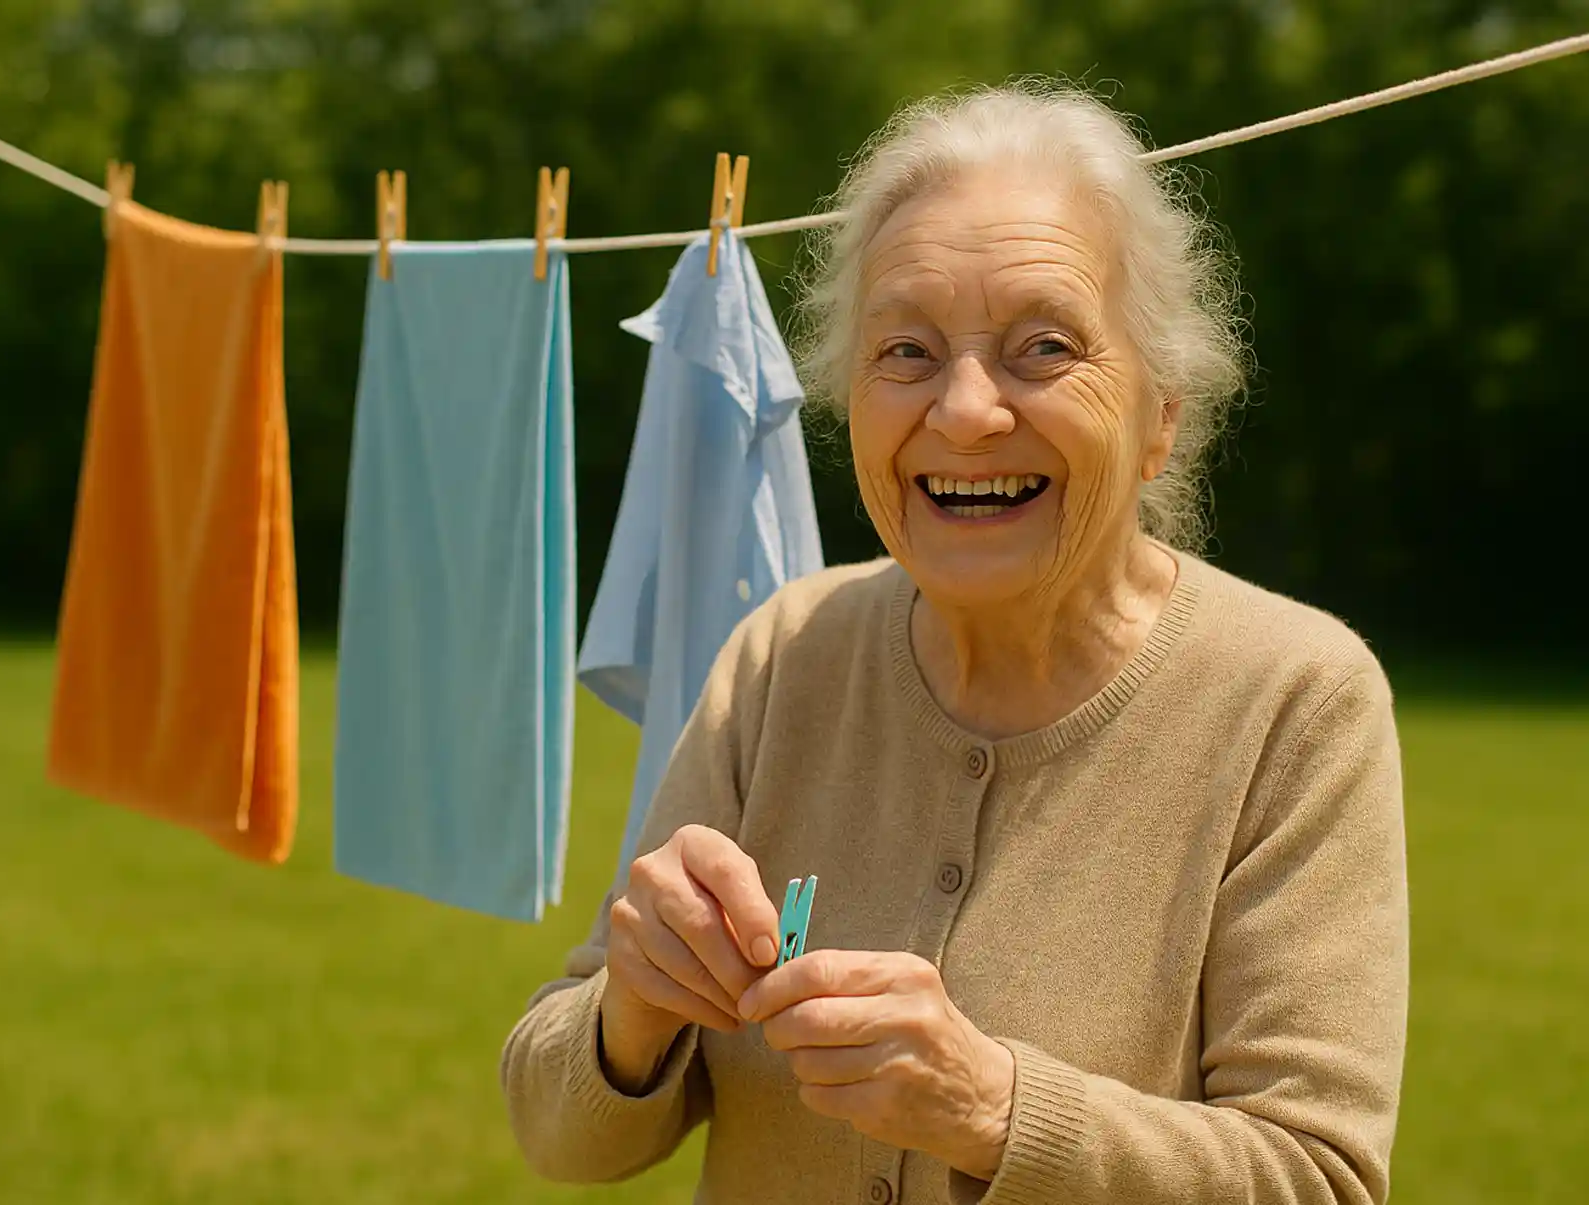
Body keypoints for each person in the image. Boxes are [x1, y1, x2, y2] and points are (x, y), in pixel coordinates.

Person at [501, 81, 1408, 1205]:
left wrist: (995, 1108)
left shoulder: (1295, 698)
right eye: (906, 351)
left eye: (1043, 347)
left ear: (1160, 415)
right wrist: (629, 1012)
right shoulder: (784, 652)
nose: (965, 410)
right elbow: (558, 1134)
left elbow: (1318, 1177)